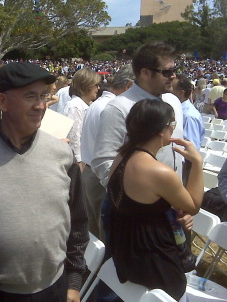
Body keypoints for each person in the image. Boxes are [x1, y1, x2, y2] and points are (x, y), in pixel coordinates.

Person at [0, 62, 88, 302]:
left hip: (55, 289)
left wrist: (73, 283)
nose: (41, 105)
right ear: (3, 101)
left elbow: (79, 222)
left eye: (44, 95)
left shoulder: (61, 154)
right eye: (30, 96)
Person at [107, 99, 203, 302]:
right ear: (161, 130)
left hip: (126, 254)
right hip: (155, 261)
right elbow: (193, 205)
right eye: (172, 125)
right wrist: (197, 163)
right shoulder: (158, 171)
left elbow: (139, 206)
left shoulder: (122, 157)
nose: (173, 130)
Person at [80, 65, 133, 239]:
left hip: (90, 173)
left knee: (95, 231)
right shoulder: (111, 108)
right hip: (102, 177)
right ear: (128, 86)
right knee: (105, 234)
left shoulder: (97, 104)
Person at [62, 68, 100, 171]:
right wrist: (79, 162)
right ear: (86, 85)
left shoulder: (83, 105)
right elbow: (74, 136)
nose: (98, 88)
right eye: (96, 85)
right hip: (79, 162)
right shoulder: (75, 106)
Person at [172, 74, 205, 185]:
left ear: (181, 92)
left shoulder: (189, 116)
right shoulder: (178, 110)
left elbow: (191, 148)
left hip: (184, 167)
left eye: (172, 88)